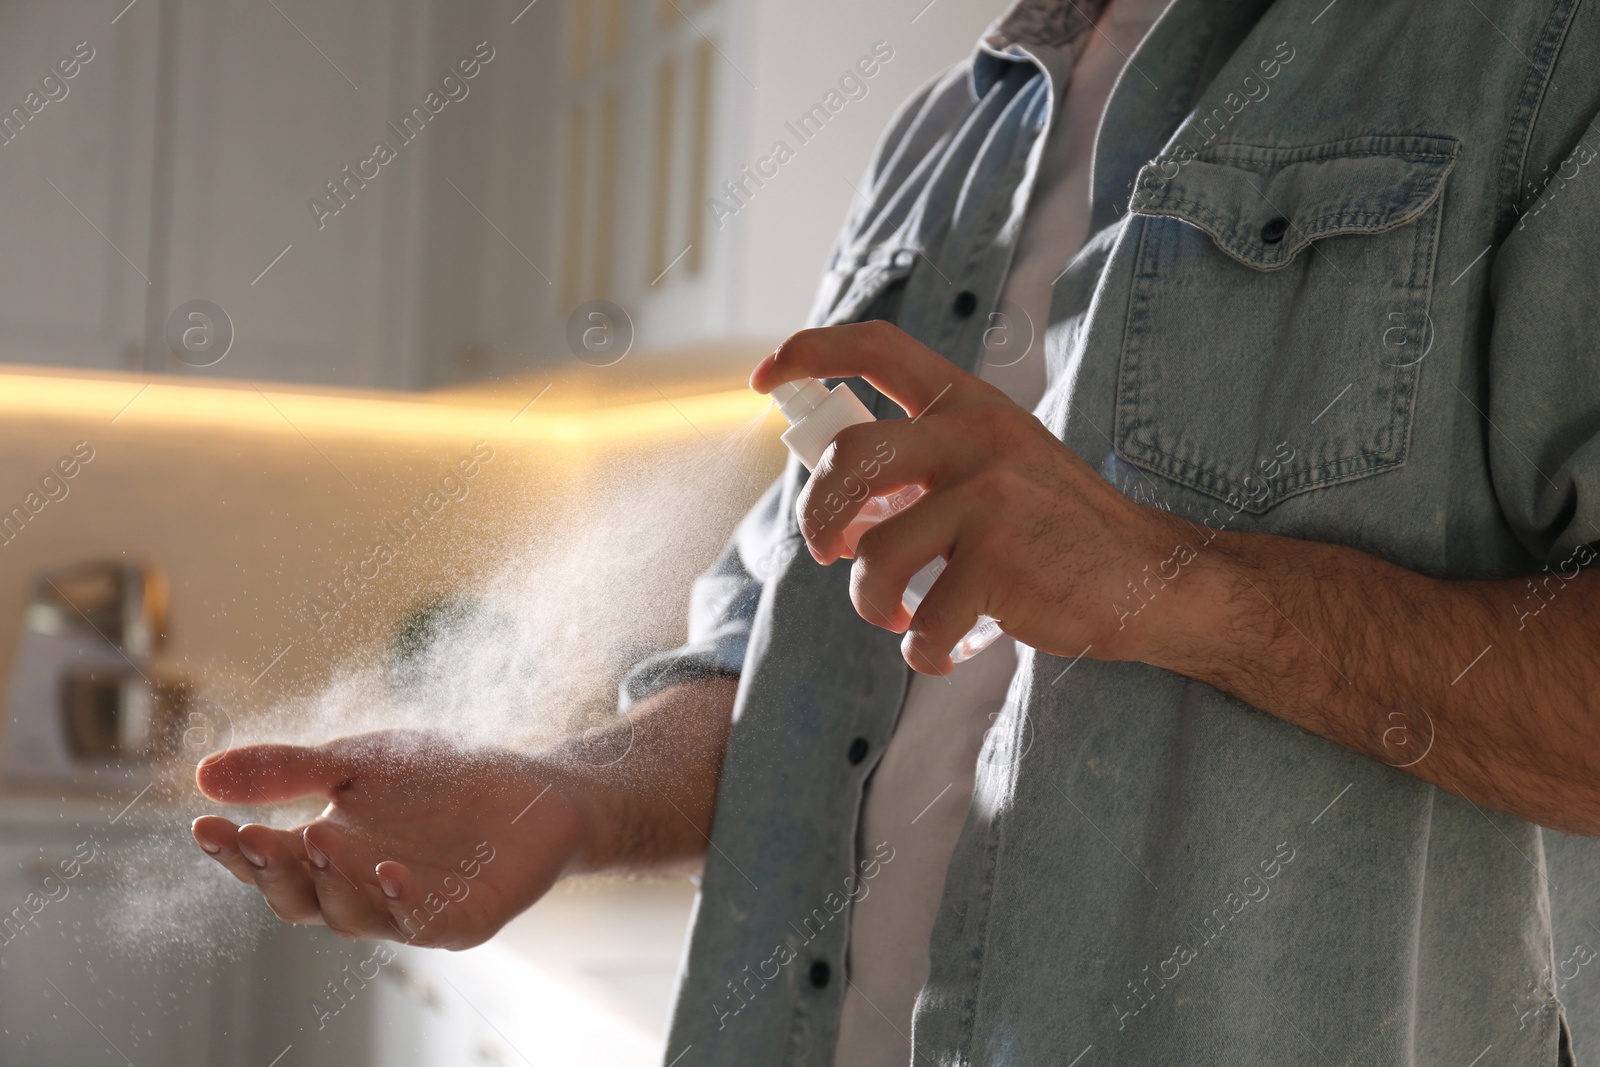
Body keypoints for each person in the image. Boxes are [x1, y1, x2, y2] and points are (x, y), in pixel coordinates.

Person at [193, 0, 1600, 1063]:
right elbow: (791, 644)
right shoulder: (950, 131)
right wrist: (573, 796)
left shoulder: (1530, 56)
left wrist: (1168, 587)